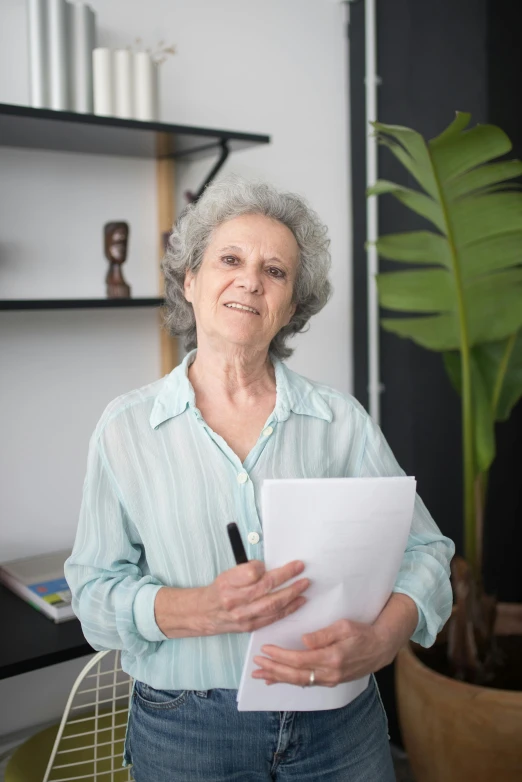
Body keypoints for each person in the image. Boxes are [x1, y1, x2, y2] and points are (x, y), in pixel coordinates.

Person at [65, 175, 455, 782]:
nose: (250, 279)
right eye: (230, 259)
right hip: (185, 727)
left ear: (292, 306)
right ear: (190, 281)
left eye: (275, 271)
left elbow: (427, 550)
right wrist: (201, 610)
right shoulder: (126, 429)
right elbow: (91, 594)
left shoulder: (340, 422)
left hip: (338, 721)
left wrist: (383, 639)